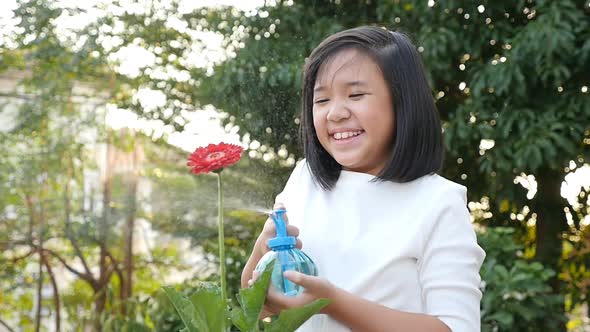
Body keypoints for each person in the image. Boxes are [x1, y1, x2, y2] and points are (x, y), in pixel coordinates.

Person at [241, 26, 486, 332]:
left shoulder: (437, 202)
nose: (335, 113)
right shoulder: (304, 180)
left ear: (402, 103)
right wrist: (262, 251)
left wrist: (332, 302)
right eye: (321, 100)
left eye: (355, 94)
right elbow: (258, 307)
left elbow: (456, 327)